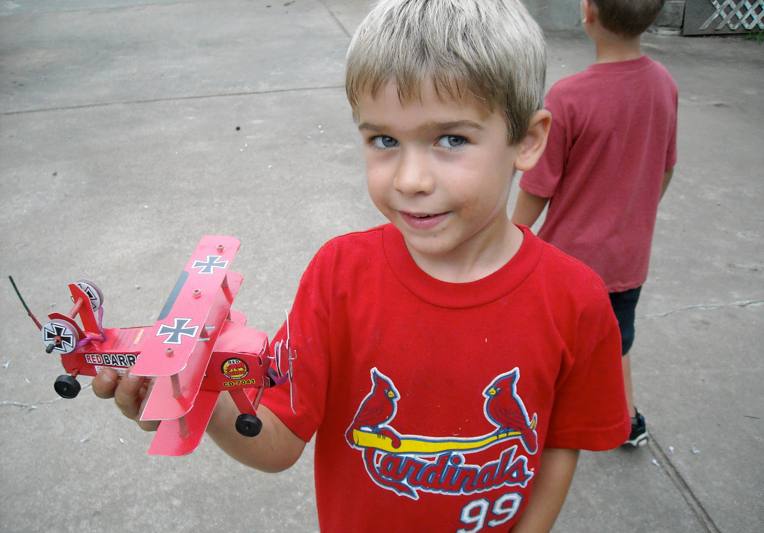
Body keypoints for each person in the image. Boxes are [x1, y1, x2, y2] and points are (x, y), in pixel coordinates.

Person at [94, 1, 630, 531]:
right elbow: (277, 440)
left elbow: (560, 445)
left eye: (452, 139)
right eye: (384, 140)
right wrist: (201, 395)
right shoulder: (339, 276)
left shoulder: (576, 300)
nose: (410, 180)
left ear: (528, 141)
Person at [512, 0, 678, 449]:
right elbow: (665, 168)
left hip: (567, 262)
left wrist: (510, 236)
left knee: (549, 342)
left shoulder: (569, 97)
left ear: (587, 11)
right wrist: (633, 216)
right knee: (615, 339)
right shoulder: (663, 83)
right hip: (627, 258)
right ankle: (628, 419)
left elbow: (538, 186)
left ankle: (536, 418)